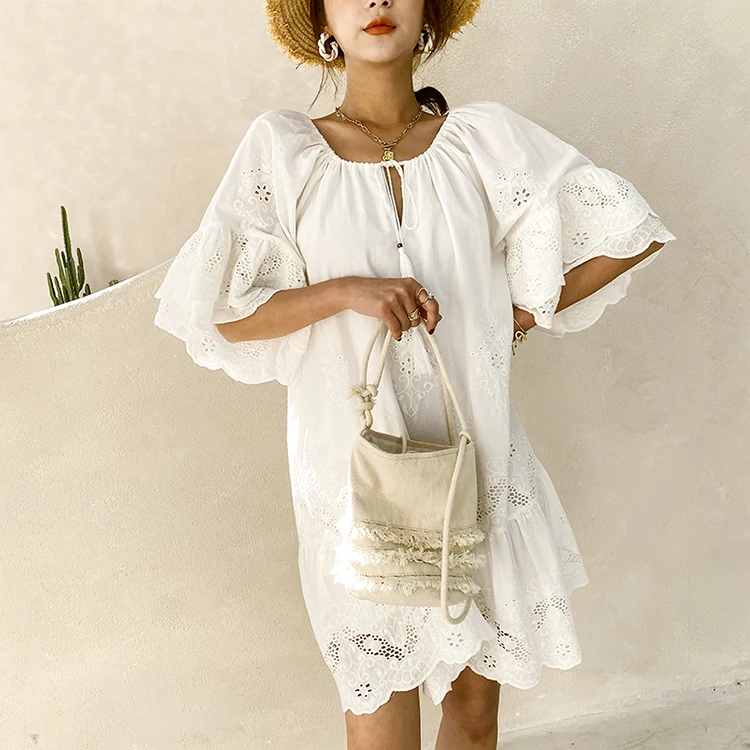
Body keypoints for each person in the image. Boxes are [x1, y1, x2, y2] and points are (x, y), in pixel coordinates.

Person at [153, 1, 678, 748]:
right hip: (354, 475)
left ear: (428, 13)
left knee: (475, 707)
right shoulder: (283, 150)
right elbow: (222, 314)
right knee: (381, 708)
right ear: (321, 20)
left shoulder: (483, 142)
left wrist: (511, 316)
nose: (376, 2)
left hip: (475, 457)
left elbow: (629, 231)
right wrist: (347, 291)